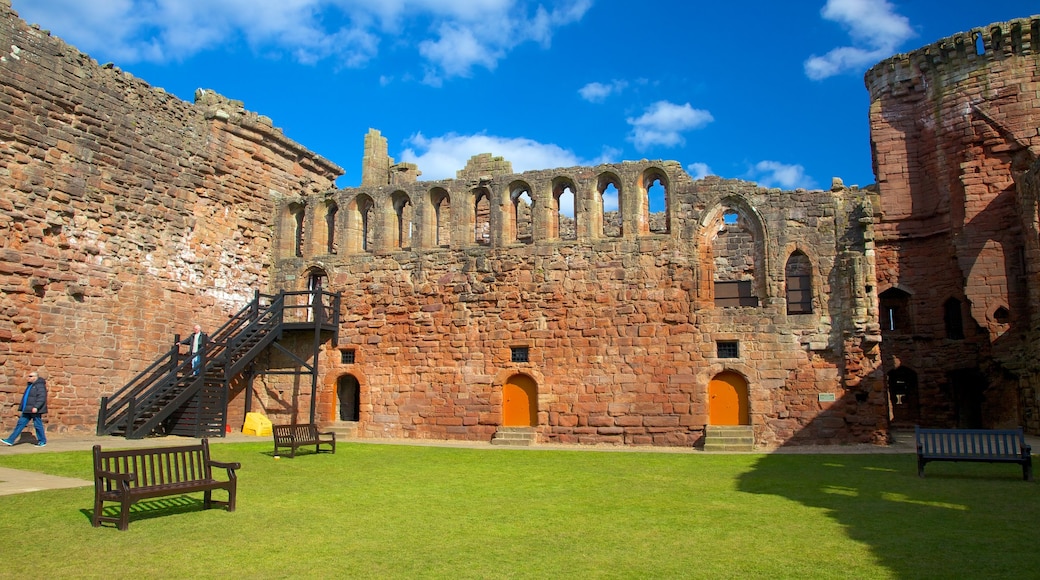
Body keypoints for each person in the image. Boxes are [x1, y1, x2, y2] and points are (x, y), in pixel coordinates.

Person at [2, 370, 48, 447]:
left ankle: (42, 441)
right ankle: (10, 440)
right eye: (28, 376)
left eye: (31, 376)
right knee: (20, 424)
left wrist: (36, 407)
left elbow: (41, 397)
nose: (28, 378)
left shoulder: (39, 385)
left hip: (34, 409)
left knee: (38, 425)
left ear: (35, 377)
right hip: (27, 409)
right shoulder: (30, 385)